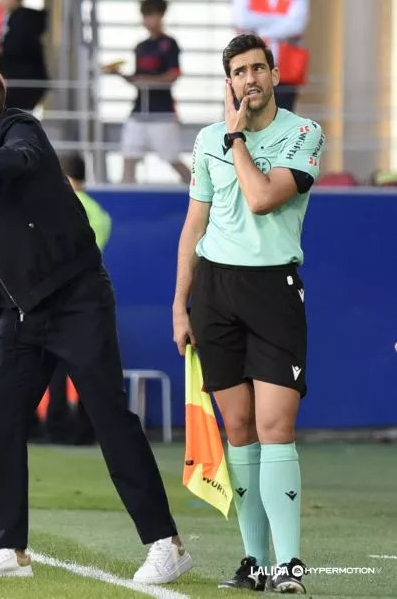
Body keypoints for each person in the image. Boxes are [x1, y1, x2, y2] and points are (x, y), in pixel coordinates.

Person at [0, 60, 191, 582]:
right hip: (20, 314)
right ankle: (10, 550)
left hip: (76, 299)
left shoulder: (21, 130)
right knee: (0, 420)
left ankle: (166, 544)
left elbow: (14, 163)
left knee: (110, 418)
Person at [173, 33, 324, 594]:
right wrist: (180, 305)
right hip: (215, 292)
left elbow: (262, 198)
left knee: (275, 426)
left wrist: (236, 136)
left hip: (273, 291)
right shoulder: (205, 139)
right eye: (239, 72)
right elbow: (195, 225)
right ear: (229, 81)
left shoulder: (303, 133)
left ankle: (289, 565)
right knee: (238, 429)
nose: (250, 79)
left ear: (274, 75)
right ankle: (254, 562)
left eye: (258, 68)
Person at [42, 153, 113, 445]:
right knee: (88, 364)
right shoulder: (100, 213)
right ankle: (87, 428)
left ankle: (57, 425)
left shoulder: (58, 207)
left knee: (55, 364)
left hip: (60, 293)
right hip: (89, 294)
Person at [104, 0, 189, 184]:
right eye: (145, 16)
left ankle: (200, 192)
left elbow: (174, 74)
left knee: (172, 157)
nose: (147, 20)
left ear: (161, 16)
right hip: (139, 110)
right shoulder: (140, 46)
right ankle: (126, 194)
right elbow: (137, 79)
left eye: (151, 15)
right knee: (128, 156)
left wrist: (147, 81)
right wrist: (120, 74)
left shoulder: (170, 44)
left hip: (162, 111)